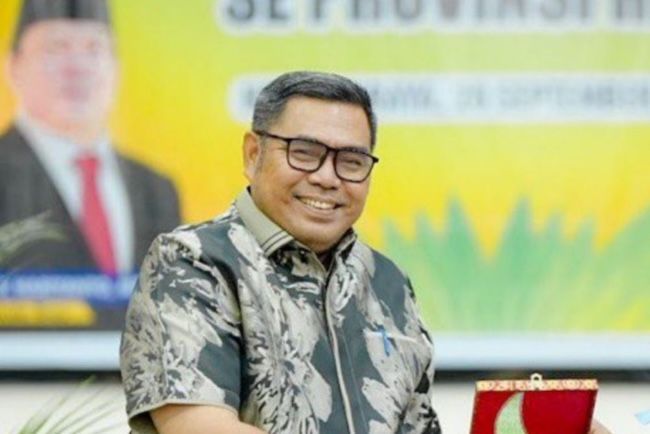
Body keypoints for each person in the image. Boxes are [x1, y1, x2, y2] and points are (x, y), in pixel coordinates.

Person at [120, 71, 612, 434]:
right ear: (253, 154)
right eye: (304, 152)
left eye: (351, 161)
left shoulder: (388, 283)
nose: (327, 177)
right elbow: (199, 427)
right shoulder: (193, 262)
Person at [0, 0, 180, 276]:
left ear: (116, 70)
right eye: (56, 48)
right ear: (14, 67)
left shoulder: (156, 190)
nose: (77, 67)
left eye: (93, 49)